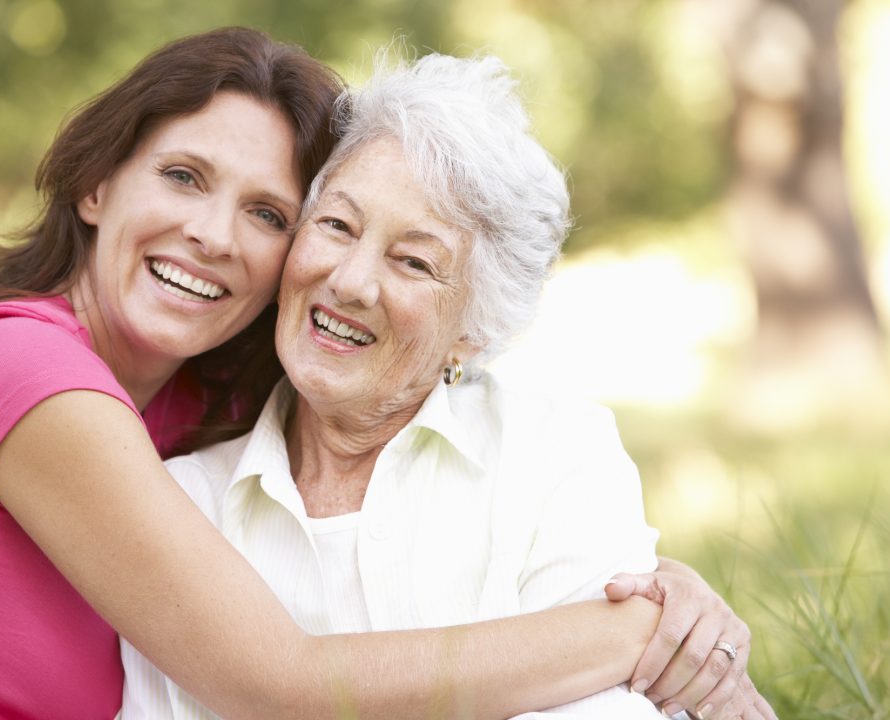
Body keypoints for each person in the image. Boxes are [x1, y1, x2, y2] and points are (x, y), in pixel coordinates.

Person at [0, 26, 753, 720]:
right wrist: (633, 629)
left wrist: (662, 579)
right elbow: (278, 683)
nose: (214, 234)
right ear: (97, 183)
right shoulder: (22, 369)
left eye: (269, 213)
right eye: (184, 176)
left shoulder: (198, 401)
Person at [120, 52, 776, 719]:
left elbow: (609, 709)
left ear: (473, 331)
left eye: (413, 261)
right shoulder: (188, 503)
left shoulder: (555, 454)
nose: (350, 281)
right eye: (337, 225)